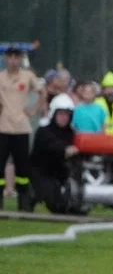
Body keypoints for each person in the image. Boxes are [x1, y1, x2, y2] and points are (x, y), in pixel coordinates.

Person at [0, 45, 45, 211]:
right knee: (0, 165)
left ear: (20, 59)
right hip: (3, 127)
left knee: (22, 167)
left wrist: (34, 110)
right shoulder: (1, 77)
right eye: (10, 57)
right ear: (6, 59)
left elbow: (43, 92)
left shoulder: (27, 76)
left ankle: (24, 203)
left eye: (16, 57)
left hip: (21, 127)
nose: (13, 60)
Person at [29, 94, 82, 214]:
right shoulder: (43, 131)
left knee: (74, 206)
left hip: (62, 175)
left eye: (67, 115)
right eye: (61, 114)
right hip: (42, 174)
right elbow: (50, 145)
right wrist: (65, 150)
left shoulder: (72, 133)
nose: (64, 117)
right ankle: (33, 195)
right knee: (57, 205)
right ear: (54, 114)